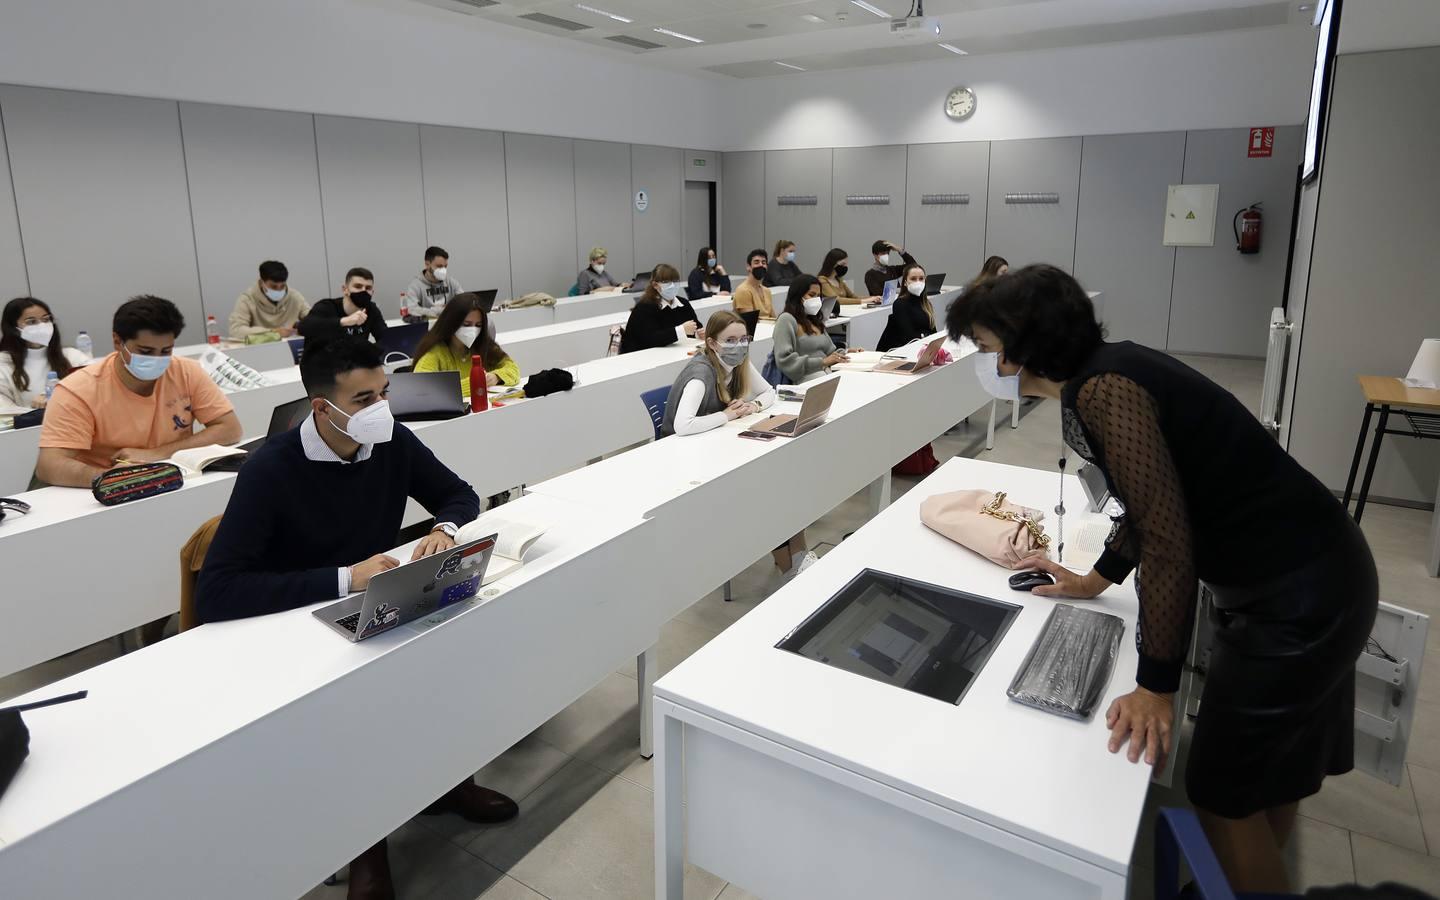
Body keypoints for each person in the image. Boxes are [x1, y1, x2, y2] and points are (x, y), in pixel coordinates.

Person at [947, 265, 1378, 894]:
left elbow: (1169, 541)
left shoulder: (1102, 390)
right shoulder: (1110, 368)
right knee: (1268, 776)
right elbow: (1157, 507)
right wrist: (1095, 581)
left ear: (1022, 345)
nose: (988, 363)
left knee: (1222, 794)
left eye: (987, 348)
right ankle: (1230, 885)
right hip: (1317, 571)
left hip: (1298, 597)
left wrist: (1155, 684)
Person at [195, 337, 517, 900]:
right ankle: (365, 845)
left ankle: (448, 783)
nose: (381, 408)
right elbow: (218, 593)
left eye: (385, 393)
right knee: (357, 709)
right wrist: (347, 578)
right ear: (323, 407)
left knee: (453, 659)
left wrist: (444, 529)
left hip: (373, 604)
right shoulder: (271, 468)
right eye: (364, 397)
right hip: (296, 616)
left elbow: (459, 494)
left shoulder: (390, 440)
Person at [35, 295, 241, 487]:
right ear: (118, 342)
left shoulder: (187, 371)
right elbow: (49, 465)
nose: (157, 359)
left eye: (166, 351)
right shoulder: (77, 391)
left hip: (174, 480)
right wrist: (115, 478)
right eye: (145, 352)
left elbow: (230, 429)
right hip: (104, 493)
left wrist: (157, 453)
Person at [662, 310, 775, 437]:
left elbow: (769, 392)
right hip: (680, 445)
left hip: (713, 435)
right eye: (730, 340)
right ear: (712, 343)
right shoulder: (701, 373)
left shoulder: (739, 362)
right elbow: (683, 426)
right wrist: (727, 415)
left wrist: (753, 406)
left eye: (743, 339)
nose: (739, 346)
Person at [412, 292, 519, 398]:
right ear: (451, 322)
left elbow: (512, 368)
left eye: (478, 325)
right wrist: (475, 383)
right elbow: (421, 388)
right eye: (466, 324)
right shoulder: (435, 352)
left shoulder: (484, 345)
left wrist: (497, 377)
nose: (473, 330)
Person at [0, 297, 89, 415]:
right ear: (13, 328)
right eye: (31, 322)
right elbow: (4, 411)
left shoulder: (71, 355)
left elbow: (97, 386)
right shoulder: (3, 363)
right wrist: (37, 411)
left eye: (46, 319)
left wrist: (58, 396)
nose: (42, 326)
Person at [773, 275, 853, 383]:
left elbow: (830, 352)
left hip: (827, 374)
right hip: (804, 379)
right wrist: (822, 362)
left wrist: (847, 353)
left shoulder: (815, 320)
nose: (816, 299)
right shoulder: (786, 320)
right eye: (811, 295)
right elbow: (785, 361)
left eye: (818, 296)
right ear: (798, 296)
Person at [299, 267, 389, 353]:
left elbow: (385, 337)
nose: (363, 291)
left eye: (368, 288)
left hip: (354, 363)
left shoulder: (371, 309)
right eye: (358, 286)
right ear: (345, 289)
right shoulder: (326, 306)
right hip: (322, 364)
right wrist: (344, 321)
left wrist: (371, 352)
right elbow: (303, 327)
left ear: (372, 292)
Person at [620, 264, 703, 354]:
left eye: (675, 281)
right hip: (641, 356)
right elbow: (651, 339)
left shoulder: (683, 303)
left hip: (672, 352)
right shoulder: (644, 307)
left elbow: (696, 326)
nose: (672, 285)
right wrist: (681, 330)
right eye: (666, 282)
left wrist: (699, 334)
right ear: (655, 285)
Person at [229, 260, 310, 340]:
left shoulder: (295, 297)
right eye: (274, 287)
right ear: (261, 283)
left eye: (282, 286)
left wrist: (302, 327)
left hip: (289, 347)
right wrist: (273, 332)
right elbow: (236, 330)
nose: (279, 290)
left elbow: (313, 319)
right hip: (260, 348)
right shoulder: (247, 299)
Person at [875, 262, 937, 352]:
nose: (918, 282)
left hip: (920, 349)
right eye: (913, 279)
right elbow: (909, 337)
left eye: (921, 279)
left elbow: (933, 333)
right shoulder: (900, 304)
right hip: (899, 353)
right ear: (905, 282)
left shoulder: (926, 304)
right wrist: (926, 336)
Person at [402, 246, 463, 323]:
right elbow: (412, 309)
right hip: (428, 328)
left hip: (448, 325)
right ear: (427, 264)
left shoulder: (451, 281)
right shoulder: (415, 286)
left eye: (445, 266)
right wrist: (439, 311)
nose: (443, 270)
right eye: (439, 266)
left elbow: (464, 303)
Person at [731, 248, 775, 335]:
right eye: (756, 262)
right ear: (748, 267)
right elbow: (750, 323)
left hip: (768, 332)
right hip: (752, 335)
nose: (761, 265)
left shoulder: (767, 291)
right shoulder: (743, 290)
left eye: (764, 262)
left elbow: (773, 317)